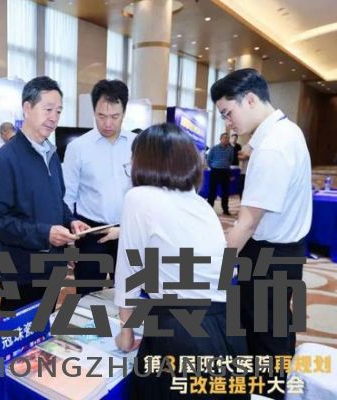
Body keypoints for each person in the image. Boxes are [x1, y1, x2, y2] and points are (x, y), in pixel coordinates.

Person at [114, 123, 247, 399]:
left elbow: (129, 273)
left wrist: (126, 333)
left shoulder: (139, 197)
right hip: (224, 327)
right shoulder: (198, 203)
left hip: (179, 333)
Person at [211, 68, 312, 399]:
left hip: (269, 254)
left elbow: (247, 224)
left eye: (228, 112)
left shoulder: (272, 147)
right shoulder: (287, 131)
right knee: (273, 326)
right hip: (283, 251)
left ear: (250, 99)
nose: (228, 123)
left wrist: (218, 269)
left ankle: (268, 393)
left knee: (265, 335)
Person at [0, 76, 89, 311]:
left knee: (44, 327)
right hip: (22, 271)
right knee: (19, 330)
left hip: (53, 267)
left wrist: (70, 221)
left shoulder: (51, 155)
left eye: (58, 111)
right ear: (27, 108)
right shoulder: (6, 159)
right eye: (48, 109)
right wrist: (45, 233)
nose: (54, 118)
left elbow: (57, 201)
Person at [62, 79, 135, 295]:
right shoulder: (78, 148)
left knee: (129, 294)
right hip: (91, 234)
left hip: (128, 232)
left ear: (124, 113)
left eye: (115, 116)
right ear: (93, 111)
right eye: (101, 116)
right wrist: (69, 238)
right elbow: (67, 196)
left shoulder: (138, 144)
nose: (108, 123)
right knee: (87, 294)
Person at [206, 132, 234, 215]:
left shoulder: (230, 149)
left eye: (228, 138)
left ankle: (225, 209)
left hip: (225, 171)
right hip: (215, 171)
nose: (226, 139)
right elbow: (209, 159)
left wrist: (225, 165)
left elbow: (231, 160)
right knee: (212, 190)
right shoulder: (214, 148)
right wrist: (213, 167)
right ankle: (209, 208)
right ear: (220, 139)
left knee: (225, 191)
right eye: (225, 138)